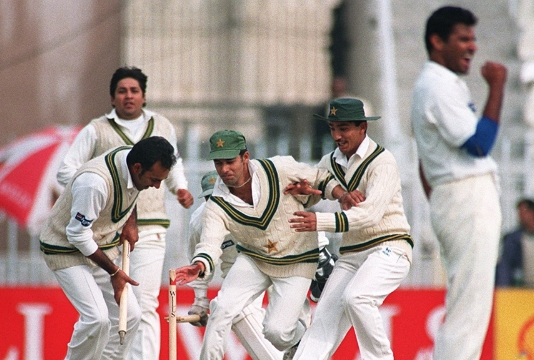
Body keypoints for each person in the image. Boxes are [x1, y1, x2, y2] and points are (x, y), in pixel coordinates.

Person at [174, 129, 349, 360]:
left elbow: (320, 178)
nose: (224, 169)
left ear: (245, 157)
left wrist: (341, 195)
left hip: (296, 259)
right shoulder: (216, 204)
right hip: (254, 258)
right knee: (221, 309)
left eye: (230, 161)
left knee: (276, 332)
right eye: (218, 163)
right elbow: (209, 242)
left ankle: (301, 341)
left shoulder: (278, 169)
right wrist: (200, 264)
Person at [56, 66, 194, 360]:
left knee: (144, 303)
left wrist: (179, 187)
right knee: (113, 309)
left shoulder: (163, 126)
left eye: (134, 91)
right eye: (122, 91)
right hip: (106, 233)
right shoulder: (96, 129)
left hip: (151, 227)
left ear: (144, 97)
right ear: (112, 97)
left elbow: (174, 164)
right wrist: (93, 191)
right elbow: (66, 169)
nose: (128, 96)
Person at [410, 6, 507, 359]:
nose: (472, 47)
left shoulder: (439, 84)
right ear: (437, 42)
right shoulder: (436, 84)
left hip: (456, 197)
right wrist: (497, 87)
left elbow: (425, 161)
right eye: (463, 38)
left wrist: (442, 201)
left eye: (474, 38)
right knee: (469, 310)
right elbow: (479, 143)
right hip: (464, 197)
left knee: (468, 304)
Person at [287, 97, 413, 360]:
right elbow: (317, 188)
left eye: (343, 128)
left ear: (362, 128)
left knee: (357, 298)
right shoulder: (329, 162)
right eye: (333, 128)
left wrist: (318, 223)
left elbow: (369, 214)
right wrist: (304, 193)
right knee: (324, 317)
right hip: (352, 253)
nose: (337, 135)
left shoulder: (382, 162)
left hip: (390, 247)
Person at [40, 136, 177, 360]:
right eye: (154, 179)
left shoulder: (131, 161)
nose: (157, 185)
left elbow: (131, 191)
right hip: (65, 248)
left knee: (131, 316)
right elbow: (77, 235)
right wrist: (114, 272)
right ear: (138, 167)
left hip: (101, 245)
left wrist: (131, 222)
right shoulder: (94, 184)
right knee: (97, 318)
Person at [187, 170, 284, 360]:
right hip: (233, 274)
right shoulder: (199, 221)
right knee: (225, 310)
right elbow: (197, 263)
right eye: (209, 198)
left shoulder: (252, 206)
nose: (214, 203)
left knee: (278, 329)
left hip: (266, 265)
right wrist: (200, 301)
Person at [496, 198, 534, 287]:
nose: (520, 216)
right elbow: (505, 266)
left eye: (523, 212)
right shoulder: (513, 239)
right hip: (522, 290)